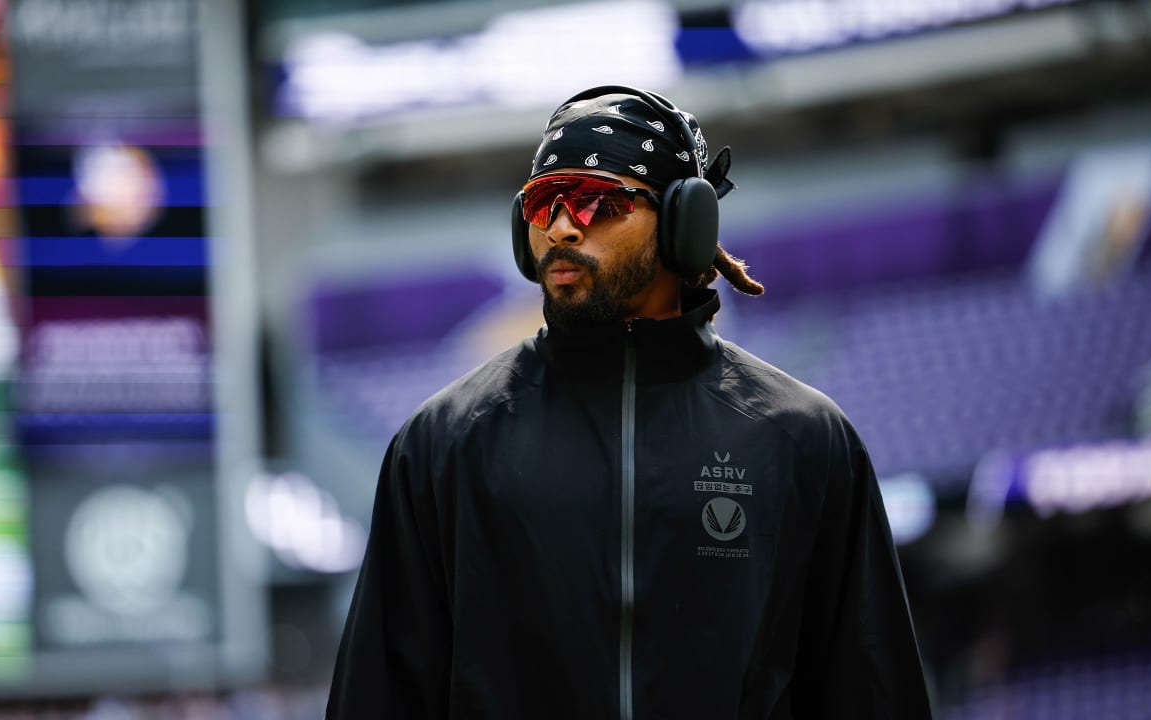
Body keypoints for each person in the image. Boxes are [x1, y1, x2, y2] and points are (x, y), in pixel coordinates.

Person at [327, 86, 932, 719]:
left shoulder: (803, 438)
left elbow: (871, 693)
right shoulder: (442, 444)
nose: (561, 227)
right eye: (542, 203)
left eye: (596, 202)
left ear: (682, 225)